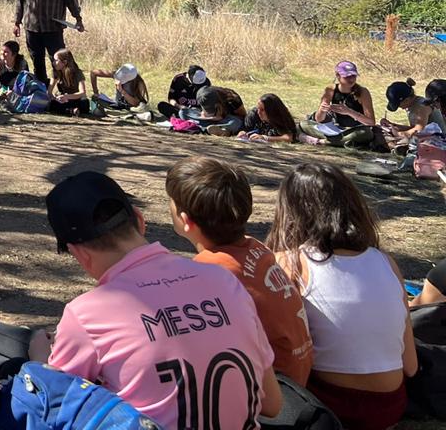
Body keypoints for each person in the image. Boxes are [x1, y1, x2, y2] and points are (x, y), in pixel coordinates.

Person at [44, 170, 281, 428]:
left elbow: (52, 405)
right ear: (140, 219)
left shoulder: (85, 314)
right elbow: (271, 404)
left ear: (77, 252)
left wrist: (37, 359)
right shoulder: (224, 280)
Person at [267, 162, 417, 429]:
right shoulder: (386, 262)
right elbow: (410, 366)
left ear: (290, 213)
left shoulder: (291, 263)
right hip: (390, 406)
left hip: (330, 407)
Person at [164, 157, 313, 384]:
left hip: (274, 389)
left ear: (185, 220)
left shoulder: (208, 271)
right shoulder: (255, 247)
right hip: (298, 375)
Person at [300, 60, 377, 146]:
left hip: (354, 130)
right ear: (338, 76)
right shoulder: (331, 89)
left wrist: (349, 112)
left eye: (353, 76)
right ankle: (339, 142)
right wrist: (322, 110)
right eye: (347, 76)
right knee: (304, 124)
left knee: (365, 133)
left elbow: (371, 122)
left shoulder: (363, 92)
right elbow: (319, 119)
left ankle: (320, 142)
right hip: (335, 129)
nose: (351, 79)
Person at [49, 48, 90, 116]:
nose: (53, 63)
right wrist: (56, 98)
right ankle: (73, 111)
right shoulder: (56, 72)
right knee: (52, 105)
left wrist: (67, 96)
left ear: (64, 62)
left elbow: (82, 92)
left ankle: (72, 110)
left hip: (76, 98)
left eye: (56, 60)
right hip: (64, 99)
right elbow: (49, 92)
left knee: (84, 103)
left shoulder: (77, 73)